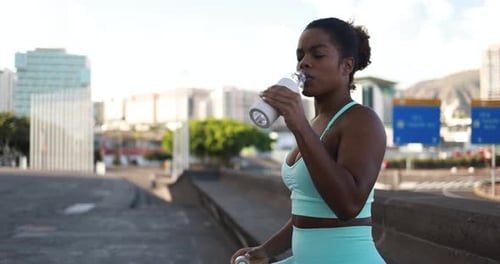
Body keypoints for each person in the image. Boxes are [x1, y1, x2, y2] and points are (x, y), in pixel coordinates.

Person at [230, 17, 387, 264]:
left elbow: (348, 205)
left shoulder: (362, 120)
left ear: (346, 66)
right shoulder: (315, 124)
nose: (304, 63)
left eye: (317, 55)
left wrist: (299, 125)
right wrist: (267, 249)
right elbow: (310, 209)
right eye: (300, 55)